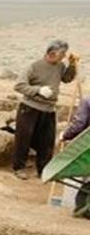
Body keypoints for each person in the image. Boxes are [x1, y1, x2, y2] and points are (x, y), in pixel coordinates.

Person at [13, 40, 79, 179]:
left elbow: (67, 78)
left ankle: (43, 171)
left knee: (47, 142)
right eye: (62, 53)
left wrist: (72, 65)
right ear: (51, 53)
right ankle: (19, 168)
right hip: (30, 108)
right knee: (24, 139)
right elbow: (19, 85)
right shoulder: (34, 67)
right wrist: (38, 90)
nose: (64, 56)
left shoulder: (60, 66)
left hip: (48, 109)